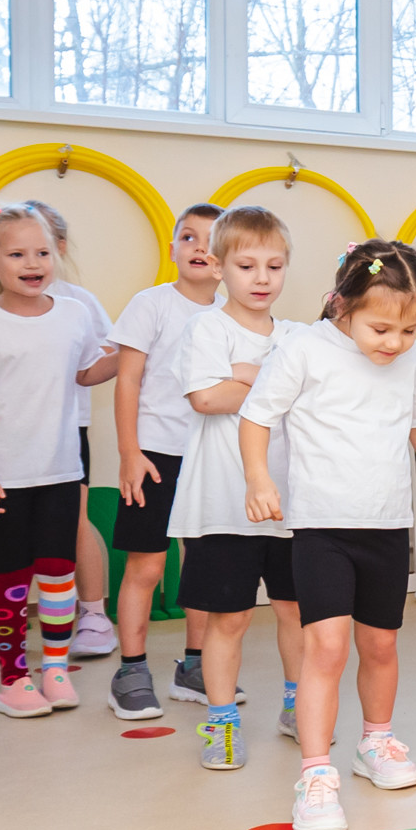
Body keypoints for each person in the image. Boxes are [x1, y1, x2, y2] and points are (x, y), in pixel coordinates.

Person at [241, 244, 416, 830]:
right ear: (343, 305)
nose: (396, 343)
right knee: (327, 649)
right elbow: (257, 416)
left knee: (381, 645)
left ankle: (375, 743)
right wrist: (258, 478)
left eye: (410, 330)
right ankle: (315, 774)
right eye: (381, 329)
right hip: (322, 527)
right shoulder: (304, 348)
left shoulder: (407, 358)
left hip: (386, 524)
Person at [0, 204, 119, 718]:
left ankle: (55, 670)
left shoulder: (74, 314)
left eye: (41, 252)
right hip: (5, 476)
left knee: (59, 575)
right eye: (17, 254)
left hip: (61, 470)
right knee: (13, 577)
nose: (32, 263)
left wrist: (133, 354)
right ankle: (13, 679)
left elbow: (86, 372)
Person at [171, 207, 306, 770]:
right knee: (230, 619)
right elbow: (207, 398)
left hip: (290, 505)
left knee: (296, 612)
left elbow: (308, 397)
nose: (261, 278)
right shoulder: (206, 328)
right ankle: (222, 721)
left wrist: (243, 374)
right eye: (247, 265)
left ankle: (298, 707)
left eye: (274, 266)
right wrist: (271, 380)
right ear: (218, 266)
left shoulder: (298, 336)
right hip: (222, 504)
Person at [106, 202, 224, 715]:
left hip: (209, 457)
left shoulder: (231, 314)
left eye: (212, 240)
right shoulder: (151, 304)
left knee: (203, 566)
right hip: (154, 454)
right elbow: (127, 380)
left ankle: (194, 666)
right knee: (147, 565)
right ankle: (131, 669)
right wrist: (129, 452)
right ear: (173, 248)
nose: (200, 248)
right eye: (189, 237)